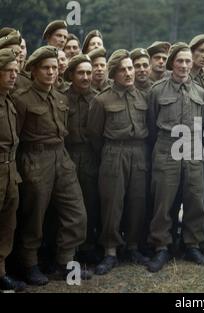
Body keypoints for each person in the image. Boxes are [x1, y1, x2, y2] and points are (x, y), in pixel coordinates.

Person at [12, 46, 90, 285]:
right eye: (45, 68)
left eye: (55, 68)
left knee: (77, 213)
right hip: (35, 159)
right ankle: (30, 264)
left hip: (61, 156)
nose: (51, 72)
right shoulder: (21, 100)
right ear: (34, 70)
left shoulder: (60, 97)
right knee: (34, 216)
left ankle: (65, 261)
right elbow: (15, 137)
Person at [146, 43, 204, 273]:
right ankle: (161, 246)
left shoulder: (201, 92)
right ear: (172, 62)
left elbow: (203, 123)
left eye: (187, 61)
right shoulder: (157, 90)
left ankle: (192, 244)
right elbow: (151, 124)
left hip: (192, 150)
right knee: (163, 201)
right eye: (180, 61)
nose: (184, 65)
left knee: (195, 199)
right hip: (167, 148)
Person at [87, 49, 150, 275]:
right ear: (113, 73)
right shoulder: (101, 99)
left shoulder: (144, 96)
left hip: (139, 152)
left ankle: (132, 247)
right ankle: (110, 251)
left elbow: (149, 127)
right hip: (114, 152)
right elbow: (94, 135)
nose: (128, 73)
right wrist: (109, 154)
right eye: (122, 70)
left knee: (137, 201)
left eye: (131, 68)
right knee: (112, 203)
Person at [63, 54, 101, 265]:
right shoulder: (61, 97)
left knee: (90, 203)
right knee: (65, 207)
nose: (86, 77)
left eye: (88, 72)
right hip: (66, 154)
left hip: (90, 155)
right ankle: (64, 250)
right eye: (81, 73)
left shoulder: (98, 98)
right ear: (71, 75)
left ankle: (87, 248)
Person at [0, 48, 26, 292]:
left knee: (8, 225)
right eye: (8, 71)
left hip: (10, 170)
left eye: (16, 72)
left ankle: (1, 273)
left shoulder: (9, 101)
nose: (13, 76)